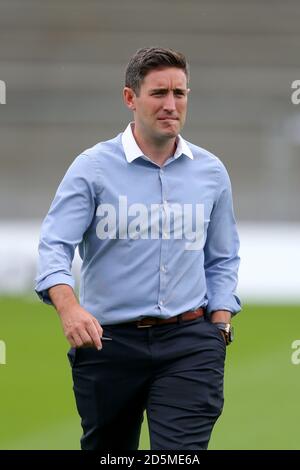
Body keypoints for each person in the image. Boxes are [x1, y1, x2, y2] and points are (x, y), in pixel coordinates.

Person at [35, 47, 241, 451]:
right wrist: (69, 307)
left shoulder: (211, 171)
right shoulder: (92, 167)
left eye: (179, 93)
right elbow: (54, 246)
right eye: (159, 93)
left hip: (190, 343)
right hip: (108, 344)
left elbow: (223, 256)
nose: (171, 104)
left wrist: (220, 323)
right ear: (130, 98)